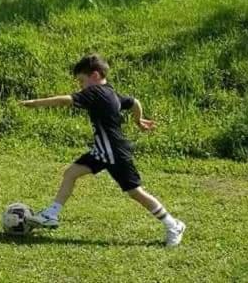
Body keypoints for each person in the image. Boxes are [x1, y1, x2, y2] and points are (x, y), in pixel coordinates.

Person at [19, 53, 186, 247]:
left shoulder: (96, 91)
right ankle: (51, 214)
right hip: (103, 150)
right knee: (71, 173)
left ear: (95, 75)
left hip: (113, 151)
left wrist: (34, 103)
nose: (80, 86)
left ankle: (173, 225)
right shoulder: (111, 92)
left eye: (82, 81)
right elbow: (134, 102)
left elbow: (66, 100)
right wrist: (138, 120)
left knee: (135, 192)